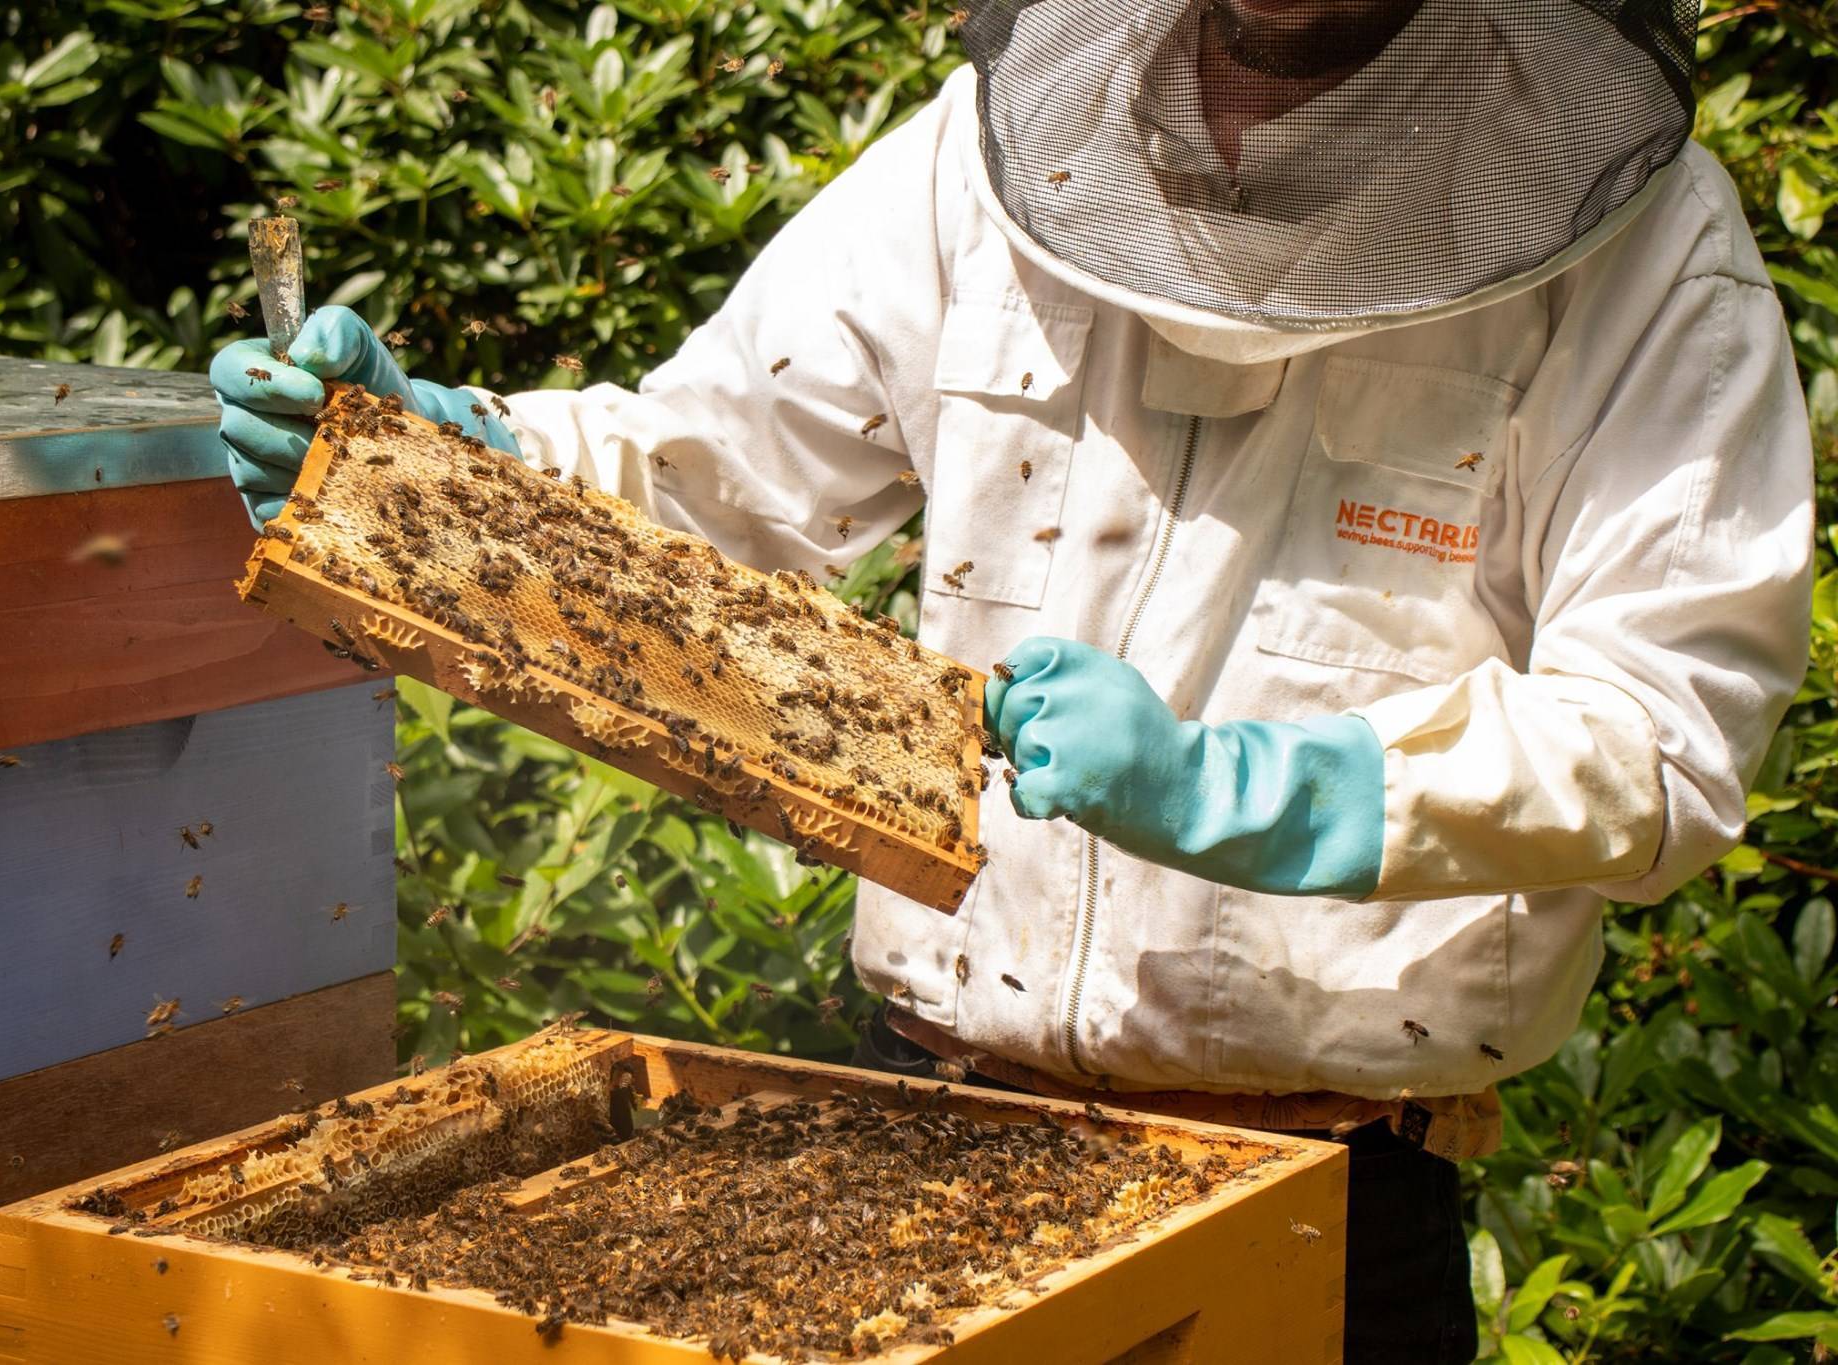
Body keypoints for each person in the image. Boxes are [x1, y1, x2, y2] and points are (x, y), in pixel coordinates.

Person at [209, 2, 1813, 1358]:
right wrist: (447, 470)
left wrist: (1260, 790)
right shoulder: (993, 153)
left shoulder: (1641, 244)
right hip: (925, 1141)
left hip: (1330, 1190)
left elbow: (1664, 736)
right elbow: (716, 466)